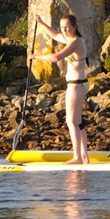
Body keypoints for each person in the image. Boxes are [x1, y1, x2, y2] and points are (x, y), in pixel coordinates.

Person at [29, 13, 89, 164]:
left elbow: (56, 58)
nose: (64, 30)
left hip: (76, 84)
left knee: (71, 121)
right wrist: (41, 23)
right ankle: (84, 157)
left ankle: (77, 158)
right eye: (63, 27)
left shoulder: (75, 42)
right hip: (79, 83)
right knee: (78, 121)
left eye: (67, 27)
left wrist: (36, 57)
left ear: (75, 27)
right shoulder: (69, 38)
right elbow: (55, 35)